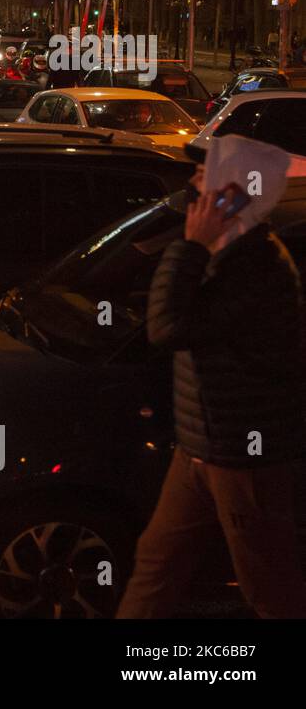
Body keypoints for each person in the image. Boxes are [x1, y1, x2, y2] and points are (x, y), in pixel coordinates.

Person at [117, 135, 306, 618]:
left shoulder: (255, 267)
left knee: (270, 588)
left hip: (243, 458)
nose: (194, 183)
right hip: (201, 449)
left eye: (206, 175)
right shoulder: (223, 253)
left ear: (233, 194)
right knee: (157, 565)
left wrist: (190, 246)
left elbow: (166, 327)